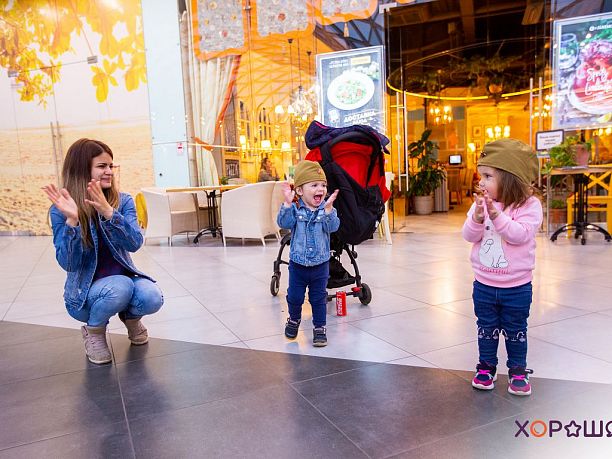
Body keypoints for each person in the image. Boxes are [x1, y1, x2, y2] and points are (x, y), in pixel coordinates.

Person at [42, 139, 163, 365]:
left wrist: (110, 213)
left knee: (152, 297)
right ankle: (94, 332)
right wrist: (72, 221)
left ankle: (131, 318)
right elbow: (68, 263)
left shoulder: (123, 201)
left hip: (123, 284)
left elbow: (135, 243)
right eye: (102, 166)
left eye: (111, 165)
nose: (109, 171)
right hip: (84, 297)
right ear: (82, 169)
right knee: (120, 286)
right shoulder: (61, 209)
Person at [462, 138, 542, 396]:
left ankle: (517, 370)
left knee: (516, 330)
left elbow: (519, 235)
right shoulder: (481, 204)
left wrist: (496, 216)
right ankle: (486, 367)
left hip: (517, 287)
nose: (481, 182)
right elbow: (469, 236)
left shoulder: (530, 206)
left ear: (510, 178)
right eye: (481, 176)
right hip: (484, 284)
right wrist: (477, 218)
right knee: (486, 328)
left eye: (488, 176)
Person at [277, 160, 340, 347]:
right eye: (314, 185)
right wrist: (287, 204)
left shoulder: (326, 209)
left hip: (320, 265)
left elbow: (333, 227)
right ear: (299, 190)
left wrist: (329, 211)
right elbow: (283, 223)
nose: (320, 189)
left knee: (318, 298)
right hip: (298, 265)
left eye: (323, 185)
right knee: (294, 296)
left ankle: (319, 328)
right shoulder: (295, 210)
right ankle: (294, 319)